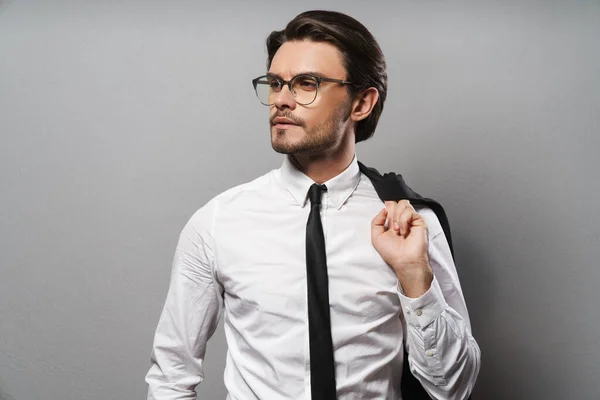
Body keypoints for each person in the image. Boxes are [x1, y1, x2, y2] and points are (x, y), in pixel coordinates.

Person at [146, 10, 480, 400]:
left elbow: (453, 389)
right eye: (275, 83)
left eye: (307, 84)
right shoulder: (218, 222)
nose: (281, 101)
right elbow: (171, 376)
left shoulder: (409, 222)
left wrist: (414, 275)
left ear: (361, 103)